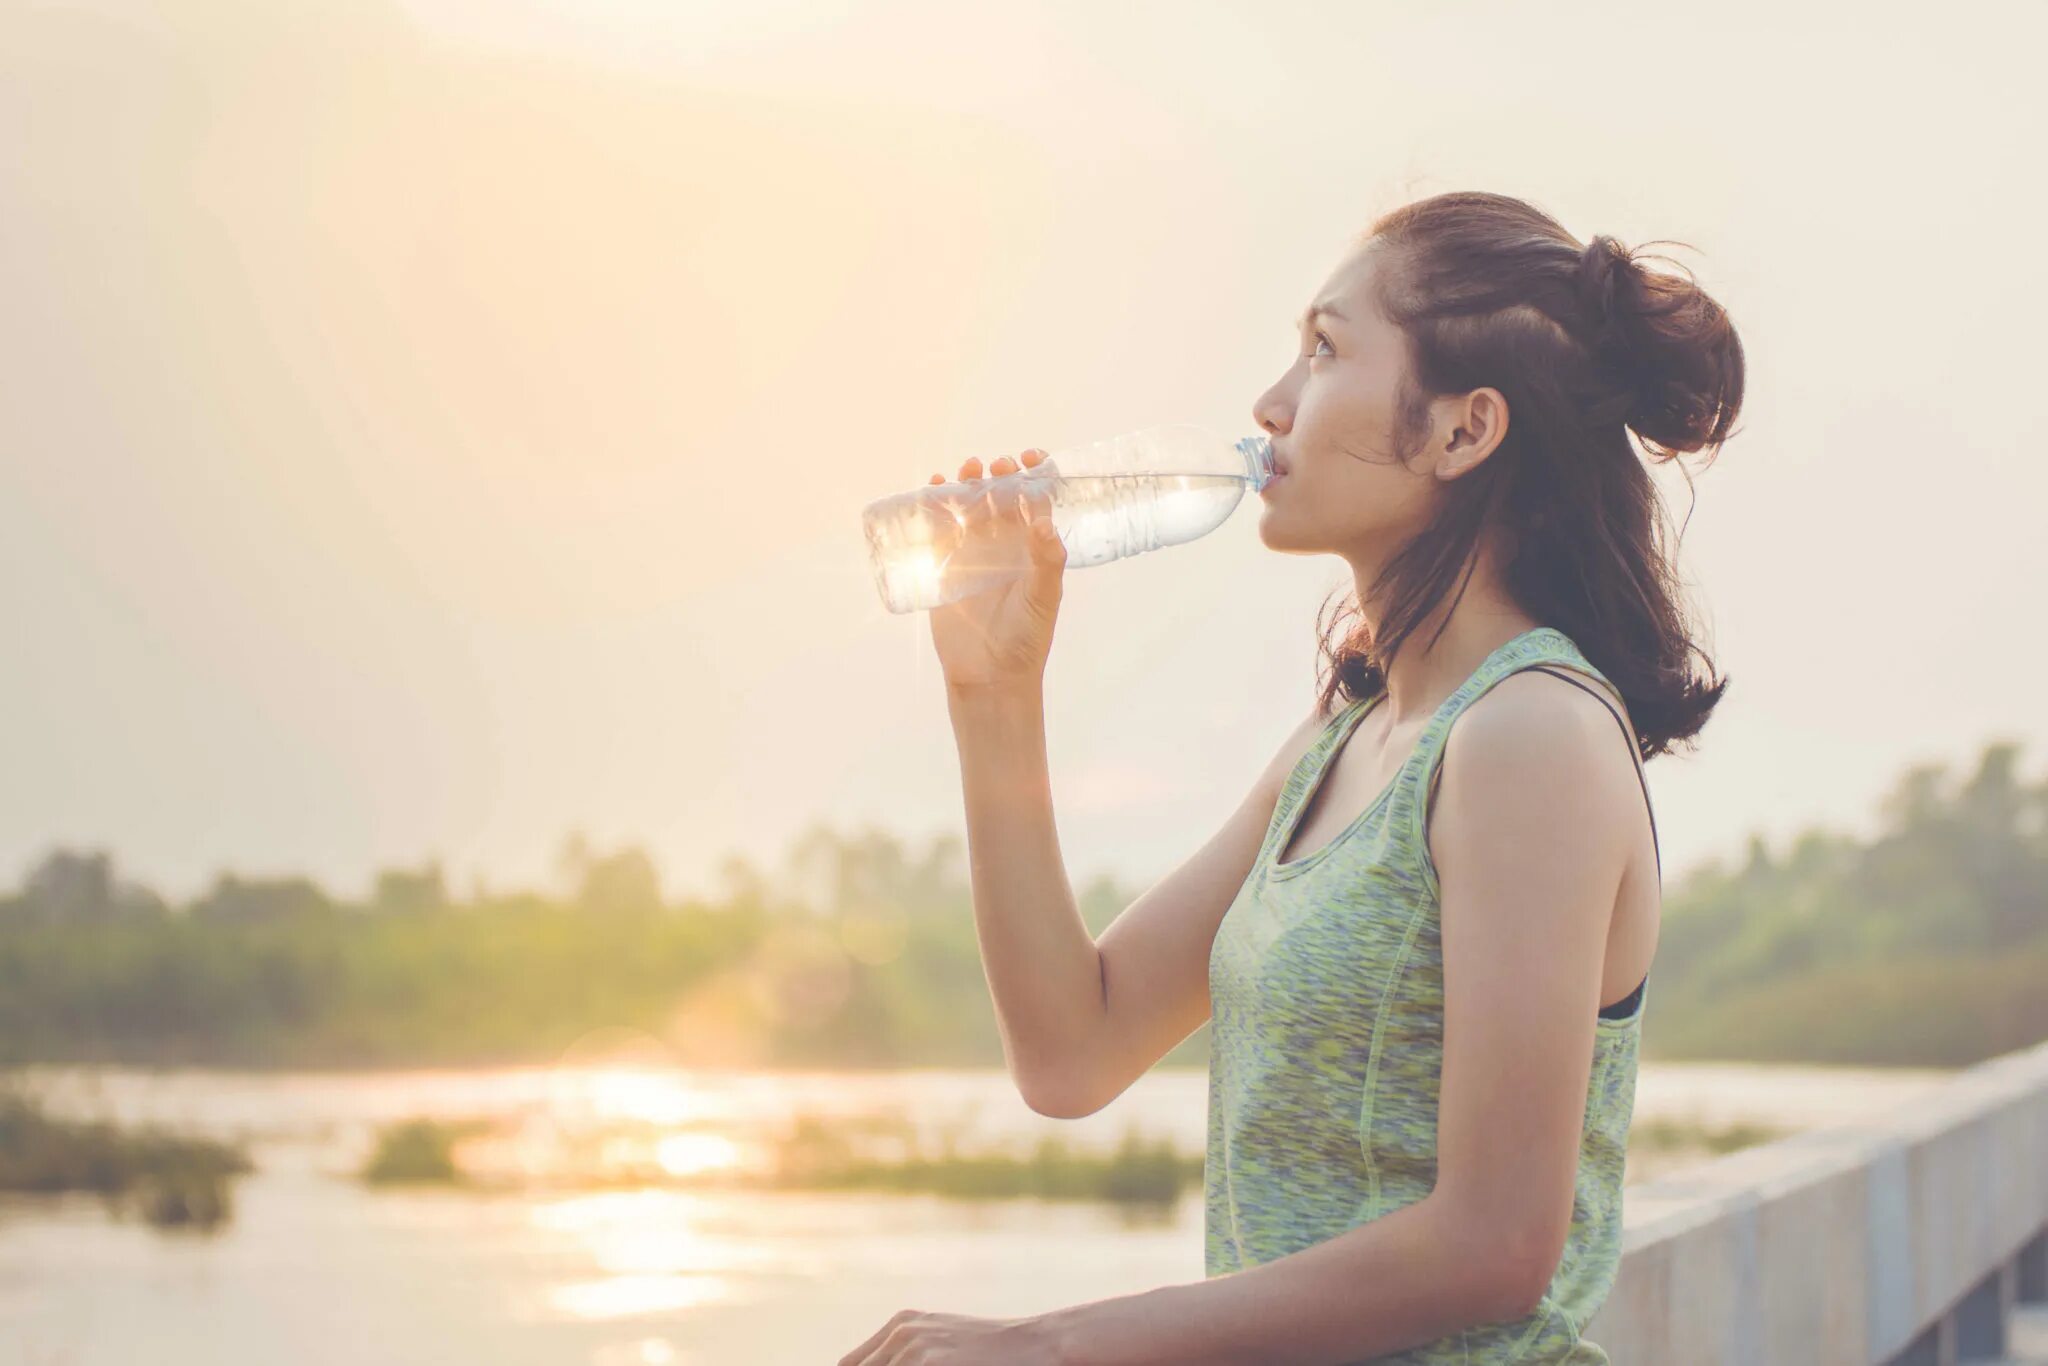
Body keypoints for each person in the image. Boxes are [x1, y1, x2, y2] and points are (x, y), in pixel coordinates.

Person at [839, 190, 1744, 1366]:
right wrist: (993, 696)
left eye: (1323, 350)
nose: (1269, 407)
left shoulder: (1529, 737)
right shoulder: (1352, 730)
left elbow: (1496, 1241)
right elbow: (1071, 1050)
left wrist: (1053, 1344)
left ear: (1462, 432)